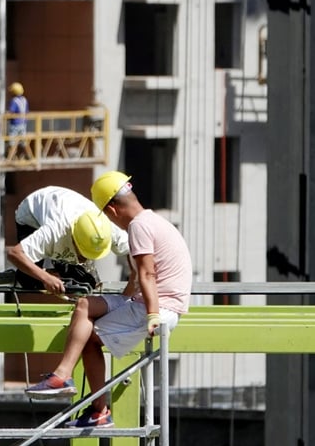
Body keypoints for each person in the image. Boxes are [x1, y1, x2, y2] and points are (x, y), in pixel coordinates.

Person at [24, 171, 192, 430]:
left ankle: (97, 408)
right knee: (85, 305)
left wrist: (152, 314)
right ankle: (63, 377)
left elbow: (147, 273)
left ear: (112, 209)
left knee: (89, 339)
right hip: (148, 302)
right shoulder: (153, 220)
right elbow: (137, 273)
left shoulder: (138, 226)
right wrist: (123, 299)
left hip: (159, 307)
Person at [7, 186, 129, 293]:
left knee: (85, 282)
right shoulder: (53, 232)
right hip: (32, 215)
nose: (85, 258)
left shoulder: (107, 229)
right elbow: (15, 254)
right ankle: (48, 271)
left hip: (65, 207)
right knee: (30, 281)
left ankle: (59, 268)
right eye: (83, 252)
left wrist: (138, 277)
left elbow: (135, 250)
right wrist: (45, 277)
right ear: (74, 240)